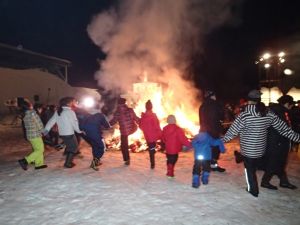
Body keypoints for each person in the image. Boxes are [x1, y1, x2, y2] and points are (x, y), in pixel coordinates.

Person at [223, 90, 300, 197]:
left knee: (249, 170)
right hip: (261, 150)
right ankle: (241, 158)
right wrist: (297, 137)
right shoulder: (268, 113)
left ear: (248, 100)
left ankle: (253, 190)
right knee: (255, 166)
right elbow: (284, 129)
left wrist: (218, 141)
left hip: (248, 150)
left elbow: (231, 133)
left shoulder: (244, 115)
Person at [261, 95, 297, 190]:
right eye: (291, 105)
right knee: (274, 163)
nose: (291, 107)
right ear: (287, 104)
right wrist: (296, 138)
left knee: (280, 163)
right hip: (277, 142)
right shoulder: (280, 112)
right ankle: (265, 182)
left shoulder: (277, 111)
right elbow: (284, 130)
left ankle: (284, 182)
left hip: (278, 141)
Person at [44, 97, 84, 168]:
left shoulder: (58, 111)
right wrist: (79, 131)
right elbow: (74, 123)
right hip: (69, 133)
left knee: (70, 146)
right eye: (73, 101)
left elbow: (51, 121)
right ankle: (68, 163)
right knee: (74, 148)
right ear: (68, 103)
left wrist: (46, 129)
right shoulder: (70, 112)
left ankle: (62, 151)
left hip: (62, 133)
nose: (74, 102)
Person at [76, 105, 111, 171]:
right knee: (102, 148)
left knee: (95, 147)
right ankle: (94, 163)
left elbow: (81, 126)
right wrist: (108, 126)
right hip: (96, 135)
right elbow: (107, 125)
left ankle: (97, 161)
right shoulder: (100, 115)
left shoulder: (85, 115)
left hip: (88, 135)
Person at [199, 90, 226, 172]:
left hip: (203, 130)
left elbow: (201, 119)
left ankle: (204, 166)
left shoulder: (202, 106)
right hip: (214, 130)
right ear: (212, 96)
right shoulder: (216, 105)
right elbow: (222, 116)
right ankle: (213, 165)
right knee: (215, 149)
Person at [18, 100, 47, 170]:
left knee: (37, 149)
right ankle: (25, 161)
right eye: (30, 104)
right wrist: (44, 131)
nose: (32, 105)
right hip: (35, 135)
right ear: (28, 106)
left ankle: (39, 164)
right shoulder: (32, 113)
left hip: (30, 135)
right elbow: (39, 123)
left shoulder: (25, 114)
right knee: (40, 150)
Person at [110, 97, 140, 165]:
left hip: (124, 131)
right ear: (125, 103)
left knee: (124, 145)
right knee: (125, 138)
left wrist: (106, 125)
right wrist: (142, 124)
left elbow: (113, 121)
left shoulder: (117, 112)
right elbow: (136, 118)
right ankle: (127, 160)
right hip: (133, 129)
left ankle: (127, 160)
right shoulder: (130, 110)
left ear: (118, 103)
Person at [139, 100, 162, 169]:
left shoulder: (143, 116)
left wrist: (145, 131)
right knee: (152, 148)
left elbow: (141, 126)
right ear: (151, 107)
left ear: (146, 107)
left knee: (151, 147)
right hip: (153, 136)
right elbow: (157, 125)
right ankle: (152, 163)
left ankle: (152, 152)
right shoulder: (153, 116)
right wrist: (160, 133)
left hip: (147, 136)